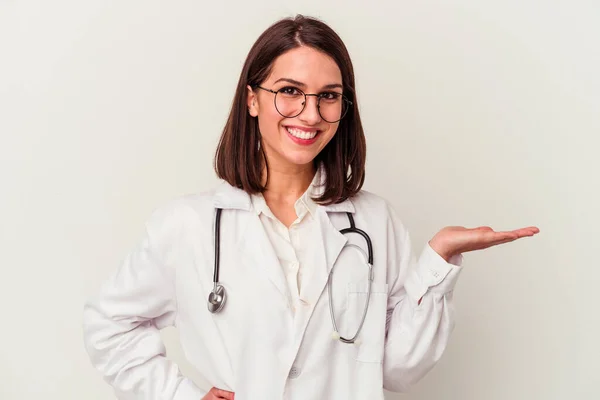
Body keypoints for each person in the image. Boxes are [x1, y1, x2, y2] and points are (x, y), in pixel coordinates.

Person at [82, 14, 539, 400]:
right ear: (252, 98)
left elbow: (400, 368)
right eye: (290, 91)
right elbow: (109, 325)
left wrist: (438, 260)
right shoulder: (188, 226)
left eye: (328, 95)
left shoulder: (373, 223)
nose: (310, 113)